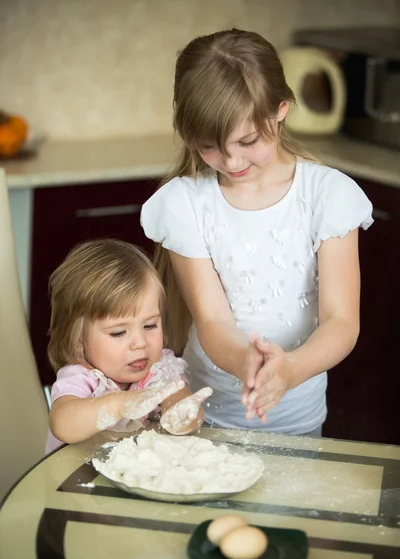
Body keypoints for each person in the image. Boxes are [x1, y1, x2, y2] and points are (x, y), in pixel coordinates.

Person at [140, 28, 373, 437]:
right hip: (202, 417)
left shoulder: (328, 195)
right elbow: (212, 320)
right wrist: (245, 362)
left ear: (280, 109)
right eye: (209, 146)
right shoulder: (184, 203)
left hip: (298, 421)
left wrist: (289, 370)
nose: (230, 161)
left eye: (247, 140)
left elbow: (341, 321)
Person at [46, 238, 212, 454]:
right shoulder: (82, 377)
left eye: (150, 325)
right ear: (78, 339)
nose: (140, 343)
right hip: (75, 481)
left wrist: (185, 415)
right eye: (119, 332)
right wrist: (119, 405)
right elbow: (62, 425)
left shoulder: (161, 369)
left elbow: (185, 412)